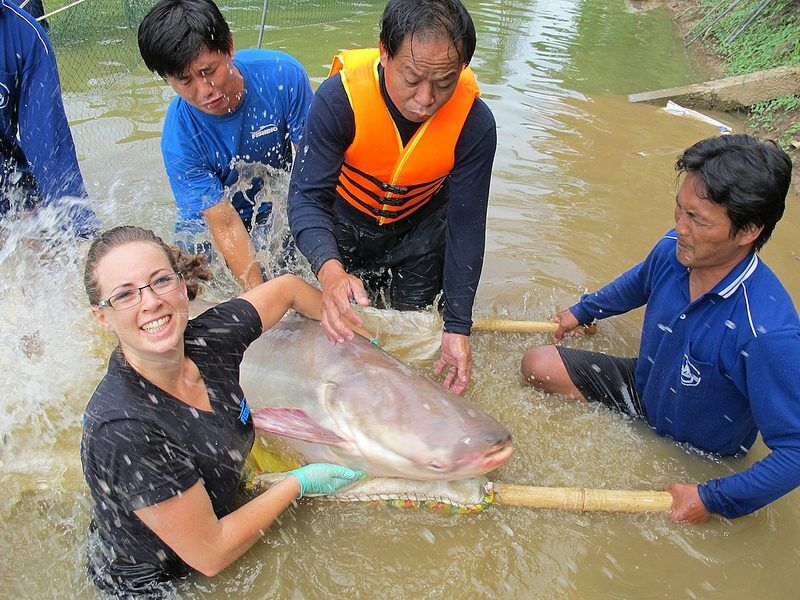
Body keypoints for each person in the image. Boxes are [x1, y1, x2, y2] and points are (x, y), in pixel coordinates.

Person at [520, 135, 800, 524]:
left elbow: (795, 453)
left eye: (697, 220)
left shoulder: (767, 332)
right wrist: (581, 312)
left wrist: (711, 496)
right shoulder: (675, 249)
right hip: (645, 389)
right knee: (537, 364)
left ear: (749, 229)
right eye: (680, 210)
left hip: (701, 447)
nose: (680, 228)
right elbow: (638, 283)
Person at [81, 226, 363, 594]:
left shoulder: (208, 340)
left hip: (206, 517)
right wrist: (300, 482)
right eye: (124, 295)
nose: (149, 302)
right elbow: (211, 555)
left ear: (181, 285)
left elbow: (289, 289)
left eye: (160, 281)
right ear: (102, 317)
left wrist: (357, 339)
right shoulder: (124, 428)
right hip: (156, 583)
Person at [288, 0, 497, 395]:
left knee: (412, 344)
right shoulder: (339, 100)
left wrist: (457, 327)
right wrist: (330, 272)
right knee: (312, 331)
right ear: (385, 51)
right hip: (341, 223)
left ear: (463, 69)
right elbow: (305, 197)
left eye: (444, 81)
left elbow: (466, 229)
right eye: (412, 77)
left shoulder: (476, 124)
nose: (425, 98)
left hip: (416, 236)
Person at [138, 0, 313, 290]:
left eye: (209, 71)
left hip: (271, 209)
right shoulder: (179, 138)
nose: (205, 91)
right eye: (185, 81)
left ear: (229, 47)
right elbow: (224, 223)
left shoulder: (283, 77)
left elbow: (314, 167)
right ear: (168, 80)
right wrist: (260, 300)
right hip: (207, 226)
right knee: (197, 294)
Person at [1, 0, 97, 237]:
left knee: (42, 246)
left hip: (8, 182)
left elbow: (50, 148)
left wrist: (82, 232)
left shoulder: (25, 36)